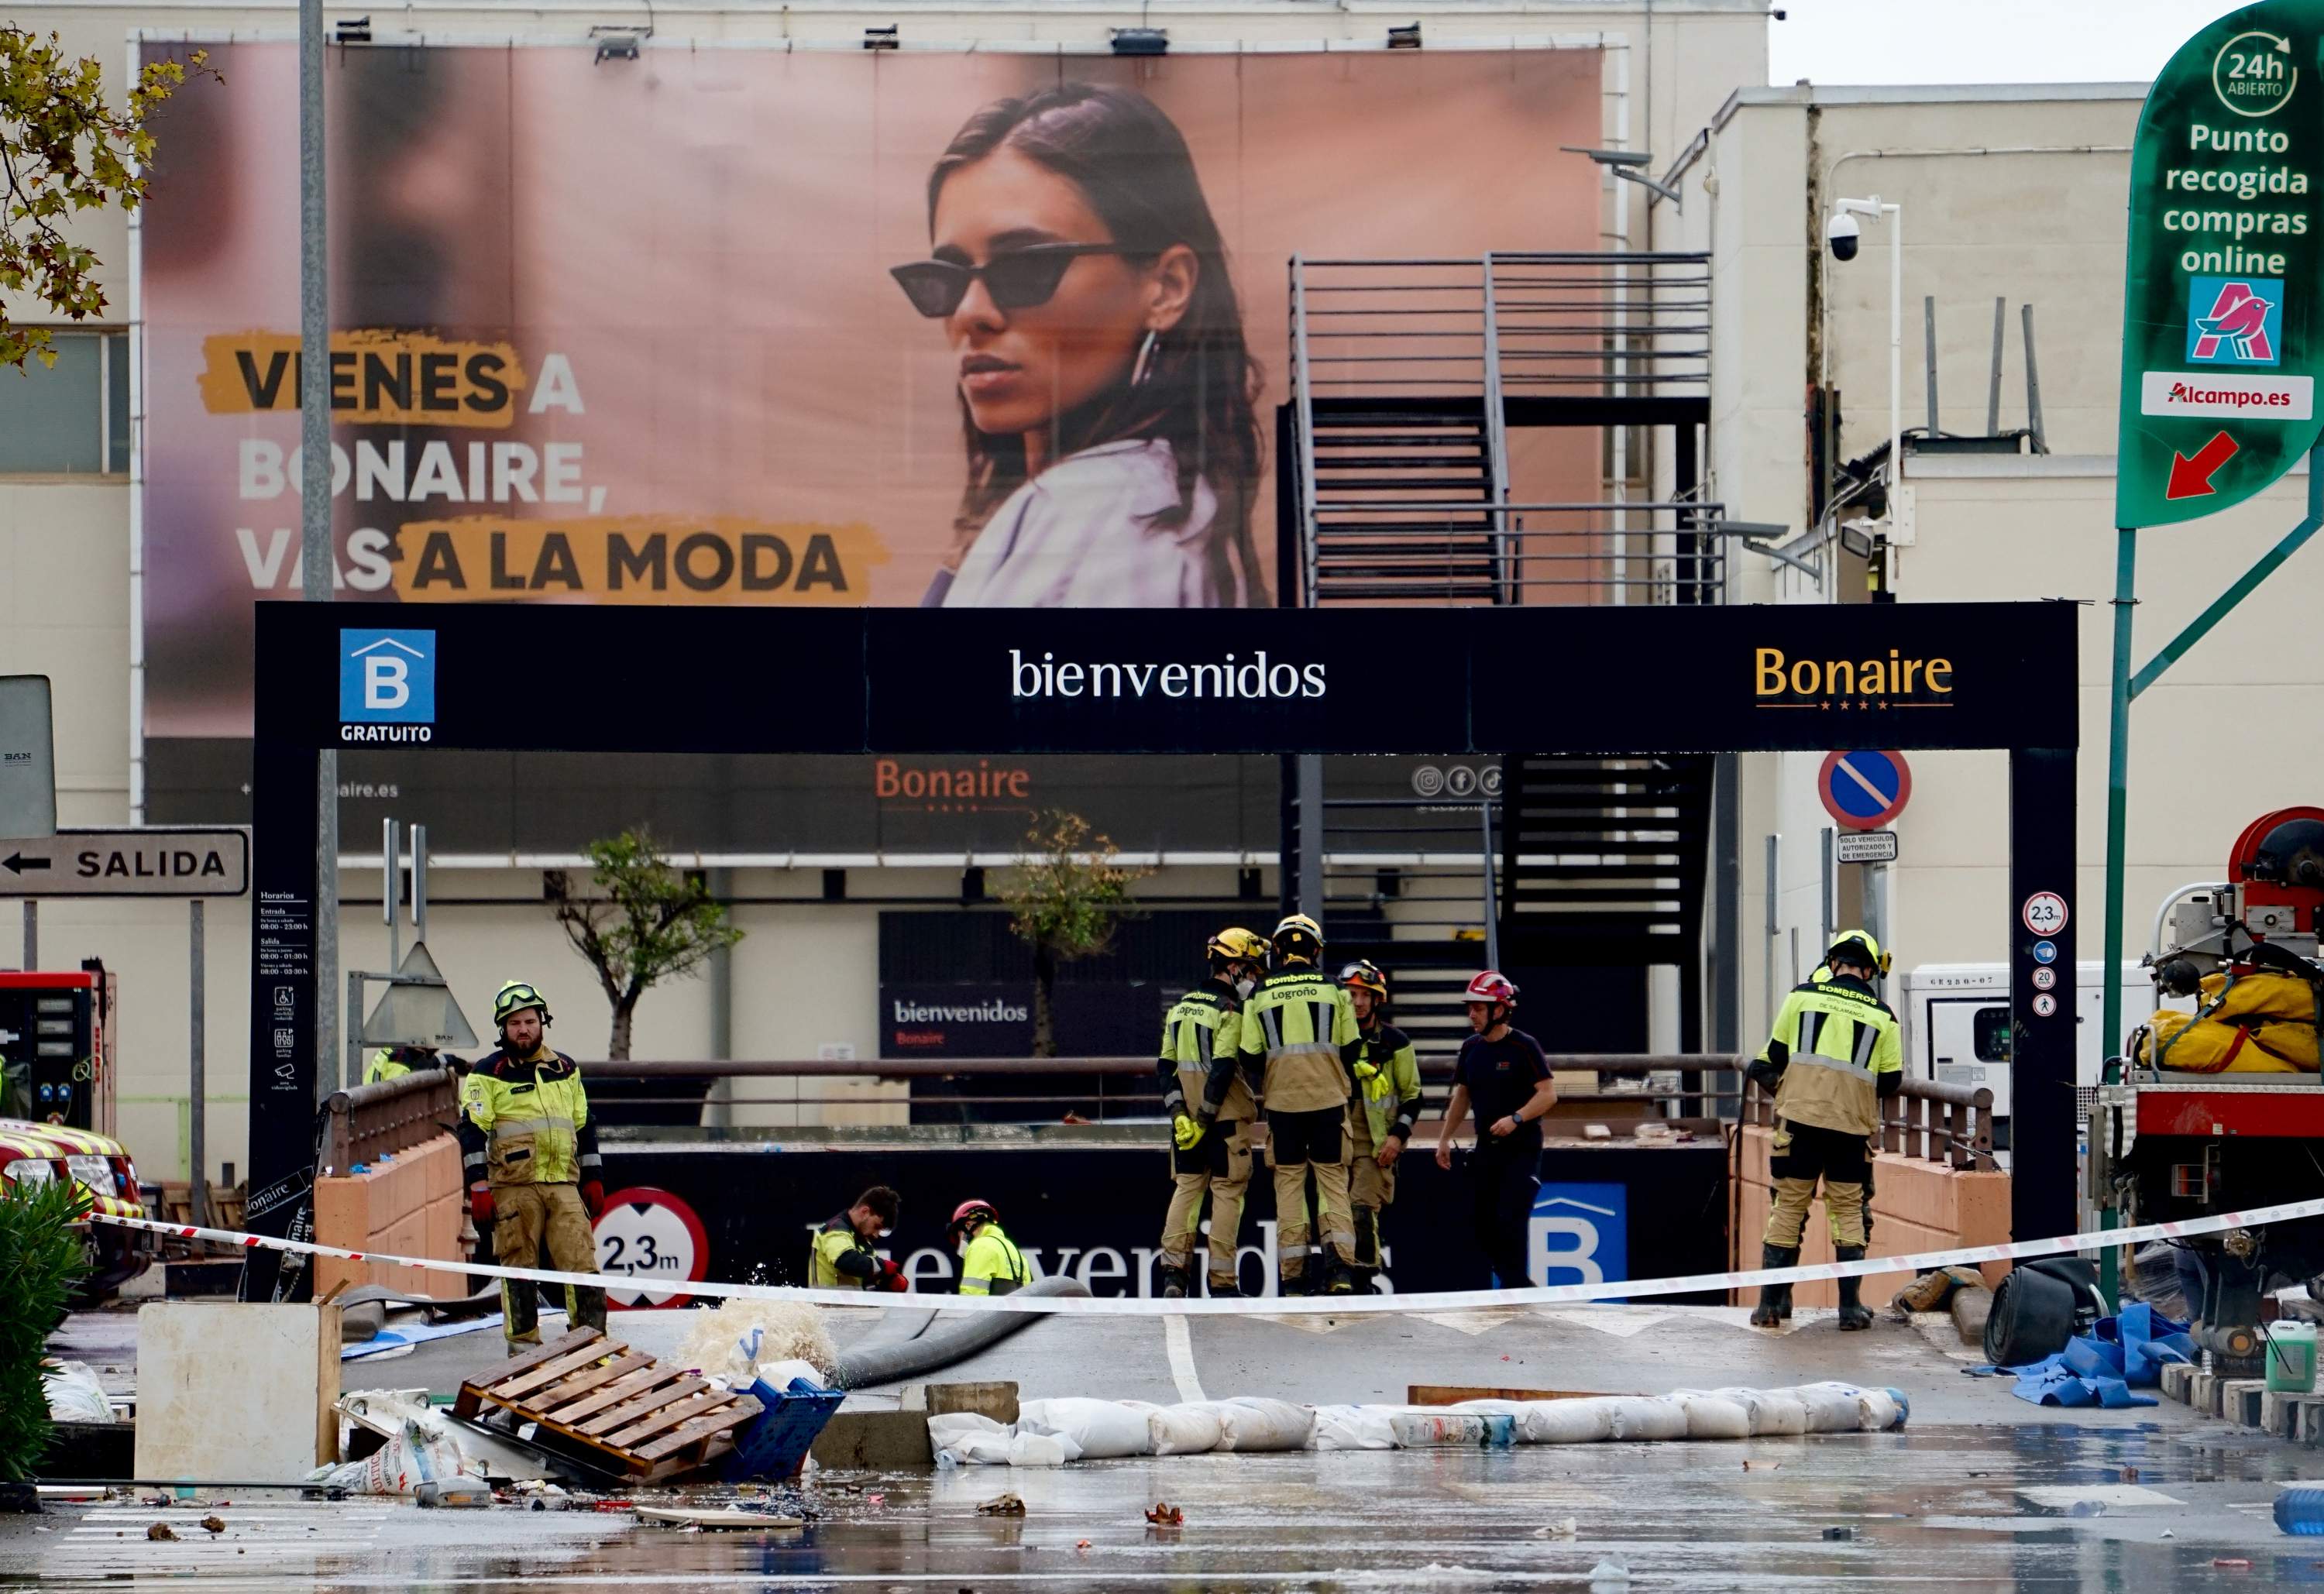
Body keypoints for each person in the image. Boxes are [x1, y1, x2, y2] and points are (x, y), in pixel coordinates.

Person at [896, 81, 1267, 608]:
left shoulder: (1105, 510)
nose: (970, 312)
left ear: (1166, 287)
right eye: (946, 276)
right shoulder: (1153, 498)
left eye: (1027, 266)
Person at [1747, 929, 1903, 1332]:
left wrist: (1795, 1090)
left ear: (1834, 964)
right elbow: (1889, 1081)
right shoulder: (1883, 1016)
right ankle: (1850, 1310)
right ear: (1869, 970)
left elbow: (1770, 1059)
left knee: (1787, 1211)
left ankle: (1769, 1307)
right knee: (1849, 1213)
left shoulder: (1801, 998)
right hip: (1850, 1131)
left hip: (1799, 1125)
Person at [456, 981, 607, 1354]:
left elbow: (584, 1123)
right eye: (513, 1024)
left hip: (563, 1183)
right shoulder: (488, 1072)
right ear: (503, 1029)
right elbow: (472, 1130)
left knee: (583, 1265)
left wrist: (595, 1177)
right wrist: (477, 1184)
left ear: (542, 1021)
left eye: (529, 1021)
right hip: (513, 1187)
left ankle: (589, 1349)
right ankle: (523, 1355)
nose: (522, 1029)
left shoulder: (566, 1068)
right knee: (519, 1271)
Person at [1237, 913, 1363, 1295]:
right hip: (1327, 1100)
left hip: (1283, 1104)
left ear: (1277, 950)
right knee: (1333, 1182)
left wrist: (1279, 1070)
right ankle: (1340, 1270)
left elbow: (1249, 1055)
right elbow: (1352, 1048)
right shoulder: (1335, 990)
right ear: (1316, 950)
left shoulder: (1259, 993)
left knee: (1289, 1187)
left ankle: (1293, 1279)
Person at [1156, 926, 1268, 1298]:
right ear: (1234, 968)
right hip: (1223, 1124)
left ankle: (1174, 1274)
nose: (1254, 979)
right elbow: (1222, 1071)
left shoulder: (1180, 1009)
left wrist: (1181, 1117)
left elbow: (1164, 1069)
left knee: (1185, 1193)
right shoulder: (1230, 1011)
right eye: (1251, 971)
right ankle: (1221, 1283)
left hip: (1186, 1126)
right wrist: (1205, 1119)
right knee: (1226, 1196)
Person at [1434, 972, 1556, 1290]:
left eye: (1479, 1008)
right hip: (1486, 1148)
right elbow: (1463, 1095)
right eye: (1470, 1008)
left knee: (1511, 1220)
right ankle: (1518, 1286)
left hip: (1522, 1147)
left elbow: (1548, 1094)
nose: (1472, 1015)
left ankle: (1515, 1289)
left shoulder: (1524, 1046)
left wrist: (1516, 1118)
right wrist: (1445, 1138)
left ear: (1499, 1010)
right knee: (1482, 1224)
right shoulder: (1471, 1048)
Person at [1340, 960, 1422, 1293]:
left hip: (1375, 1145)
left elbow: (1413, 1097)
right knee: (1333, 1214)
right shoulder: (1331, 1040)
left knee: (1361, 1209)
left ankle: (1362, 1281)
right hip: (1334, 1138)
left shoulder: (1395, 1042)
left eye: (1365, 995)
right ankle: (1338, 1280)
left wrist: (1397, 1137)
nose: (1358, 1002)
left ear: (1377, 999)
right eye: (1351, 994)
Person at [811, 1186, 909, 1293]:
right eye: (876, 1226)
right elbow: (846, 1261)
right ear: (865, 1212)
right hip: (827, 1307)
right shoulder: (834, 1229)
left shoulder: (862, 1240)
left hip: (851, 1307)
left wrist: (890, 1281)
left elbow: (870, 1275)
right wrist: (883, 1266)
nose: (876, 1235)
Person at [950, 1199, 1030, 1297]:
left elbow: (973, 1295)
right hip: (1013, 1312)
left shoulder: (980, 1246)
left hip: (989, 1312)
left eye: (961, 1234)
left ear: (969, 1225)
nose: (962, 1241)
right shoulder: (1016, 1252)